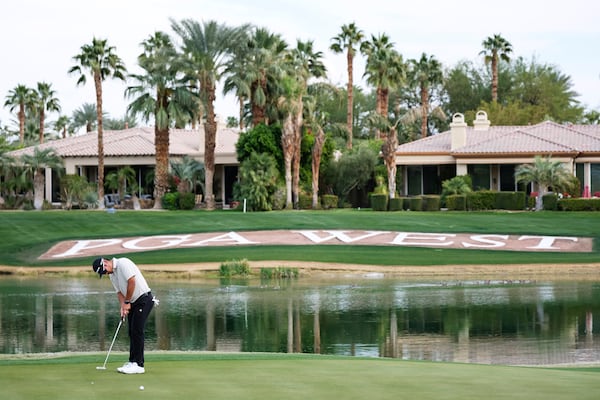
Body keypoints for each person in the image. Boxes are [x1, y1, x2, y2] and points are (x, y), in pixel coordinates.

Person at [92, 256, 158, 374]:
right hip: (133, 302)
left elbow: (132, 281)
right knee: (131, 331)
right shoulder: (113, 275)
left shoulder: (123, 263)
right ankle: (133, 361)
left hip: (144, 299)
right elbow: (119, 292)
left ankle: (139, 364)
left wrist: (127, 302)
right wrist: (123, 305)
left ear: (106, 263)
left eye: (104, 271)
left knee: (137, 331)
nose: (106, 273)